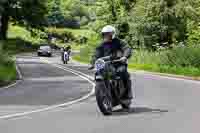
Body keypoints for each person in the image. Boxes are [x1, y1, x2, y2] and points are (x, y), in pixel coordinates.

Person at [89, 25, 133, 110]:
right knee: (99, 73)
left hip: (118, 64)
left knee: (122, 72)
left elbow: (127, 48)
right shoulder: (101, 45)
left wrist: (125, 56)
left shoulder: (119, 42)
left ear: (112, 34)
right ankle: (104, 94)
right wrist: (92, 63)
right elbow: (95, 55)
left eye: (108, 34)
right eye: (104, 34)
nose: (106, 36)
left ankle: (126, 96)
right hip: (106, 65)